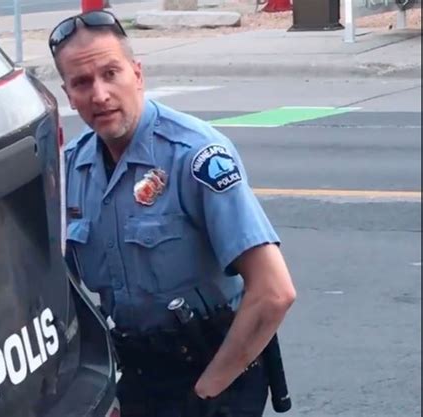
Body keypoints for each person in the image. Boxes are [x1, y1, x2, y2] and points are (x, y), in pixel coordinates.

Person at [48, 10, 297, 417]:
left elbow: (274, 292)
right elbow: (67, 296)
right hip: (137, 374)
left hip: (213, 372)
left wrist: (205, 395)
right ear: (67, 93)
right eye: (82, 82)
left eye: (111, 73)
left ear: (137, 74)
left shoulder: (195, 155)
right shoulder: (73, 170)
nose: (100, 94)